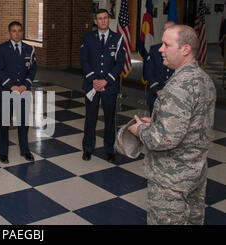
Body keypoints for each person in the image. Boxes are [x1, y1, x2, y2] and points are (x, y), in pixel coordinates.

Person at [128, 25, 216, 225]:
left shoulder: (178, 87)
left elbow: (161, 139)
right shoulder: (204, 79)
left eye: (167, 45)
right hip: (195, 173)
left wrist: (139, 129)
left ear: (185, 49)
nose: (160, 49)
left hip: (170, 181)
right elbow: (192, 123)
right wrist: (159, 121)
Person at [80, 9, 125, 163]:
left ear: (109, 19)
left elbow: (119, 63)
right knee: (90, 118)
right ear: (95, 21)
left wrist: (106, 80)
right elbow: (84, 60)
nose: (103, 21)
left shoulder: (118, 38)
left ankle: (109, 149)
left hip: (109, 86)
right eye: (100, 18)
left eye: (105, 18)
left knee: (109, 119)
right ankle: (88, 149)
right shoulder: (88, 37)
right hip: (91, 85)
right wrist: (93, 79)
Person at [0, 21, 37, 163]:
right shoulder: (1, 48)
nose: (17, 33)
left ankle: (25, 150)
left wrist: (25, 85)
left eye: (19, 31)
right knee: (5, 122)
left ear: (23, 32)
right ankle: (3, 151)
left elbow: (33, 69)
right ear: (9, 33)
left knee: (23, 122)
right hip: (7, 90)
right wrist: (12, 86)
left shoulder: (29, 49)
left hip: (24, 91)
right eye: (14, 31)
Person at [143, 21, 175, 114]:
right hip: (156, 93)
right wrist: (157, 89)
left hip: (174, 95)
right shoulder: (155, 49)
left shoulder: (179, 51)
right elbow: (148, 70)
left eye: (170, 29)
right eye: (165, 30)